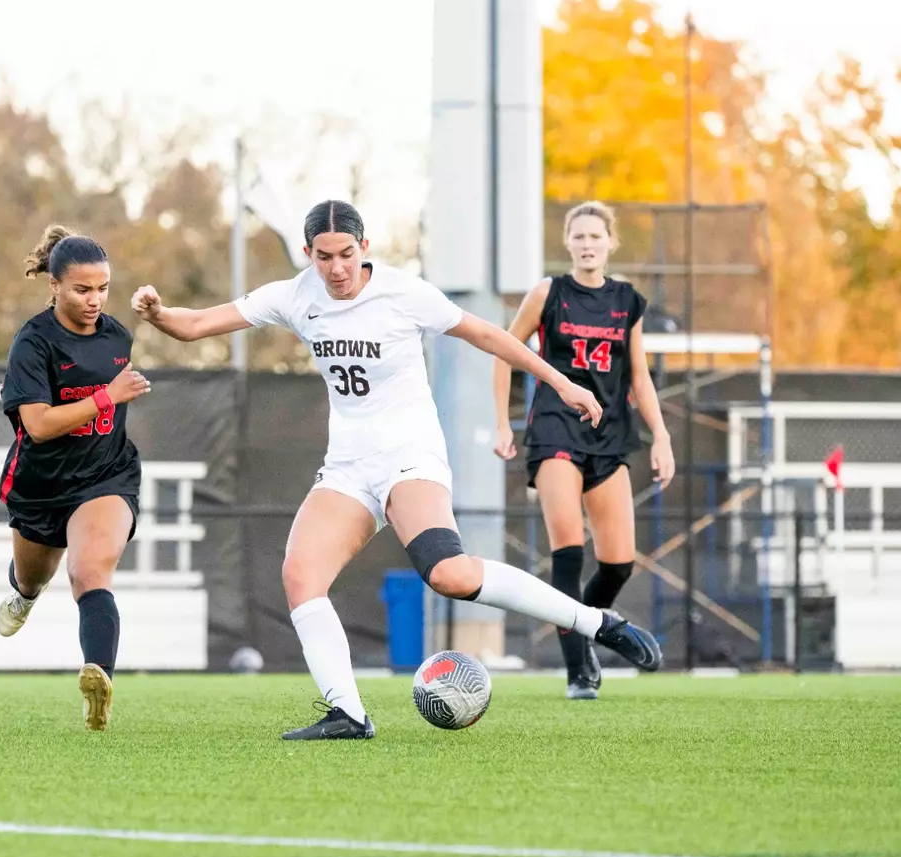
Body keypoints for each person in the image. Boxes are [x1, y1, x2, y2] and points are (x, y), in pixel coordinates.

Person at [132, 200, 661, 740]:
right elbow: (195, 325)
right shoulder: (294, 295)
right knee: (300, 575)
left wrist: (562, 383)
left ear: (364, 248)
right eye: (322, 256)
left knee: (449, 574)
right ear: (308, 254)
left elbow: (487, 335)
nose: (335, 268)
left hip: (410, 457)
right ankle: (349, 714)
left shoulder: (402, 293)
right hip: (347, 466)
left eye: (345, 253)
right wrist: (156, 314)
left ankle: (598, 622)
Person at [493, 201, 674, 701]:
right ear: (568, 242)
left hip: (610, 436)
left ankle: (592, 629)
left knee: (618, 563)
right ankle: (579, 672)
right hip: (555, 430)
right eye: (580, 236)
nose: (588, 243)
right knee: (568, 550)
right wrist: (499, 425)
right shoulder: (547, 293)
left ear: (610, 242)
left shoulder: (626, 301)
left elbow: (638, 376)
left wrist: (661, 436)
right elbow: (505, 352)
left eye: (597, 236)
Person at [0, 225, 152, 732]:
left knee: (88, 573)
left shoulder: (116, 337)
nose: (95, 299)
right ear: (55, 286)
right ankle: (23, 592)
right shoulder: (33, 342)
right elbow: (38, 426)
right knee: (34, 577)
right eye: (82, 289)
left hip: (105, 476)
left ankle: (98, 678)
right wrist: (107, 396)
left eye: (103, 288)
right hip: (40, 486)